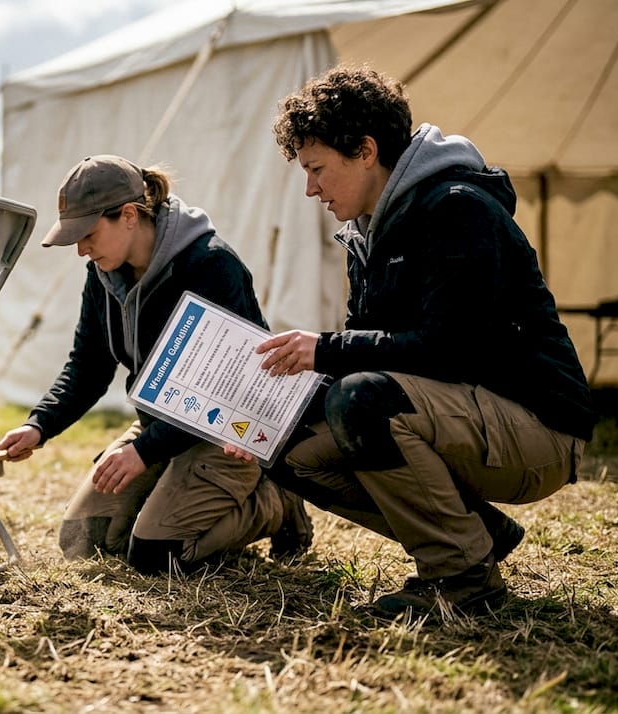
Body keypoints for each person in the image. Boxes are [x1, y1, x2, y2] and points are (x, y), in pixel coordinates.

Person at [247, 65, 595, 618]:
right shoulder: (368, 232)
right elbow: (380, 351)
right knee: (286, 447)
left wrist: (327, 348)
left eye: (316, 169)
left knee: (362, 402)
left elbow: (449, 350)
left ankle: (461, 575)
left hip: (538, 428)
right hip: (460, 415)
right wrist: (264, 417)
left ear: (365, 149)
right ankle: (473, 529)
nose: (310, 188)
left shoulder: (457, 209)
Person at [0, 155, 313, 575]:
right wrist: (39, 425)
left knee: (155, 556)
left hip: (225, 431)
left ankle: (275, 504)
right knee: (83, 540)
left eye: (88, 234)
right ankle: (169, 501)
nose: (80, 250)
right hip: (160, 426)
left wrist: (143, 453)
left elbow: (232, 388)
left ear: (129, 215)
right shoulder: (103, 275)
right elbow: (88, 366)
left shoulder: (212, 266)